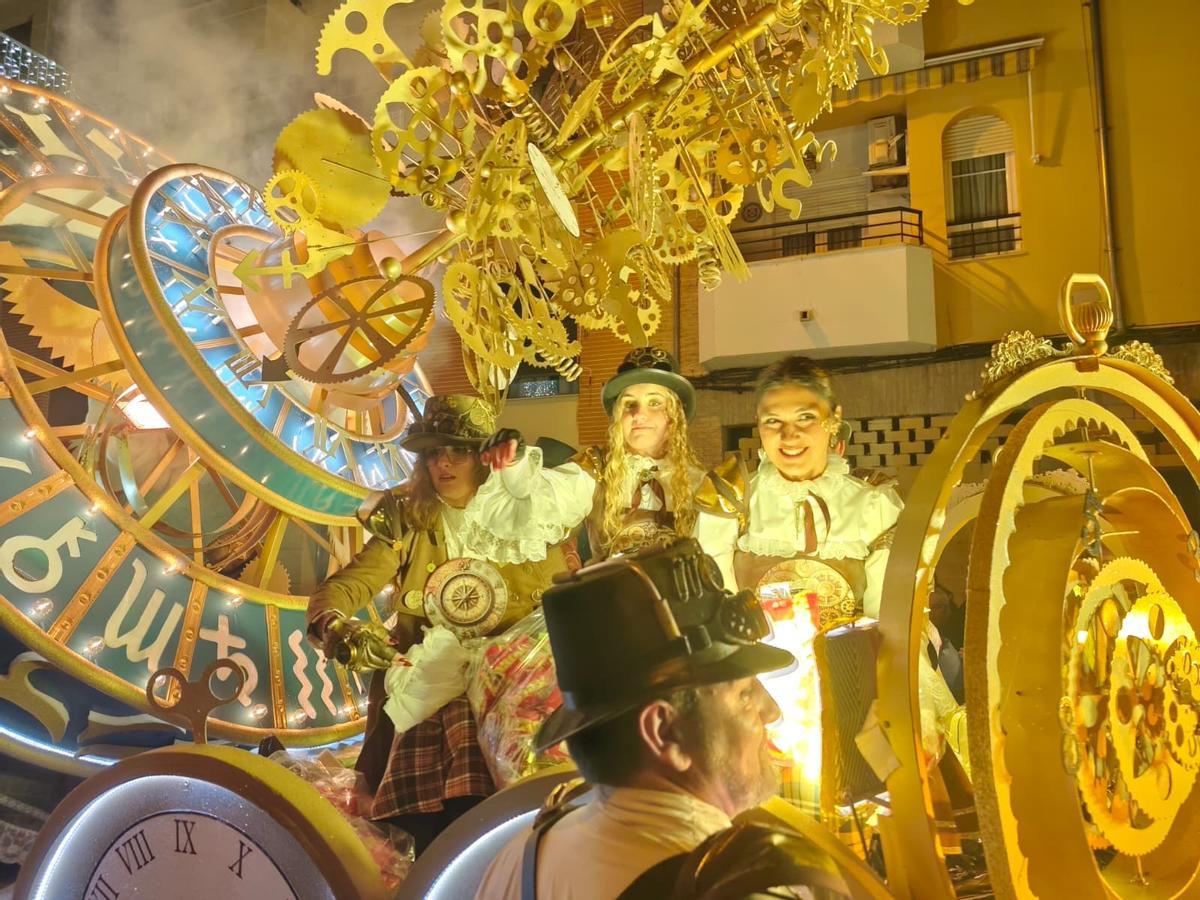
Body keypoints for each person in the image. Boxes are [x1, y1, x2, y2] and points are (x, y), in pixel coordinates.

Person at [306, 395, 579, 853]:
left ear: (485, 459)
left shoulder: (530, 517)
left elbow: (567, 600)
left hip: (512, 696)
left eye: (458, 451)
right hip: (430, 696)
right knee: (423, 830)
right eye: (433, 453)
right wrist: (336, 627)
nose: (443, 463)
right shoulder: (407, 519)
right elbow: (344, 587)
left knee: (527, 821)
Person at [473, 538, 799, 900]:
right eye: (743, 695)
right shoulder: (730, 886)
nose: (771, 712)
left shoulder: (519, 858)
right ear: (664, 731)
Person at [696, 356, 904, 815]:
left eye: (805, 419)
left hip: (849, 676)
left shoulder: (872, 499)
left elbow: (888, 603)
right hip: (760, 672)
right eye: (774, 423)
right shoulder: (731, 496)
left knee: (864, 794)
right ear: (759, 427)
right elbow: (715, 592)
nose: (789, 437)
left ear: (834, 422)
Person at [480, 347, 739, 584]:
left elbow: (717, 566)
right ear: (618, 417)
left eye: (654, 403)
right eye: (629, 404)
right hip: (611, 612)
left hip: (678, 619)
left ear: (673, 417)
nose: (639, 414)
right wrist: (515, 463)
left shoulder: (701, 484)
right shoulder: (596, 471)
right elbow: (542, 496)